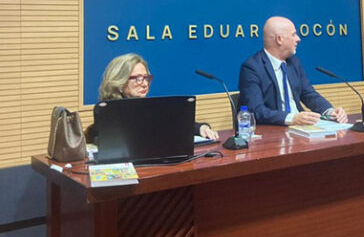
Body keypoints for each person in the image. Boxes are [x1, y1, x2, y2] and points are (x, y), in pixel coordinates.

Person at [239, 16, 348, 126]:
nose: (298, 39)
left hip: (301, 128)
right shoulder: (252, 67)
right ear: (279, 39)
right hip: (275, 129)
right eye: (293, 34)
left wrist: (329, 111)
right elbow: (256, 110)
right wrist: (291, 118)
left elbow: (308, 94)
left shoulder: (294, 63)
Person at [85, 53, 218, 143]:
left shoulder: (149, 107)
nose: (144, 84)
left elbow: (176, 124)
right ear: (120, 82)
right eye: (137, 78)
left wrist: (202, 128)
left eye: (146, 78)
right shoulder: (107, 111)